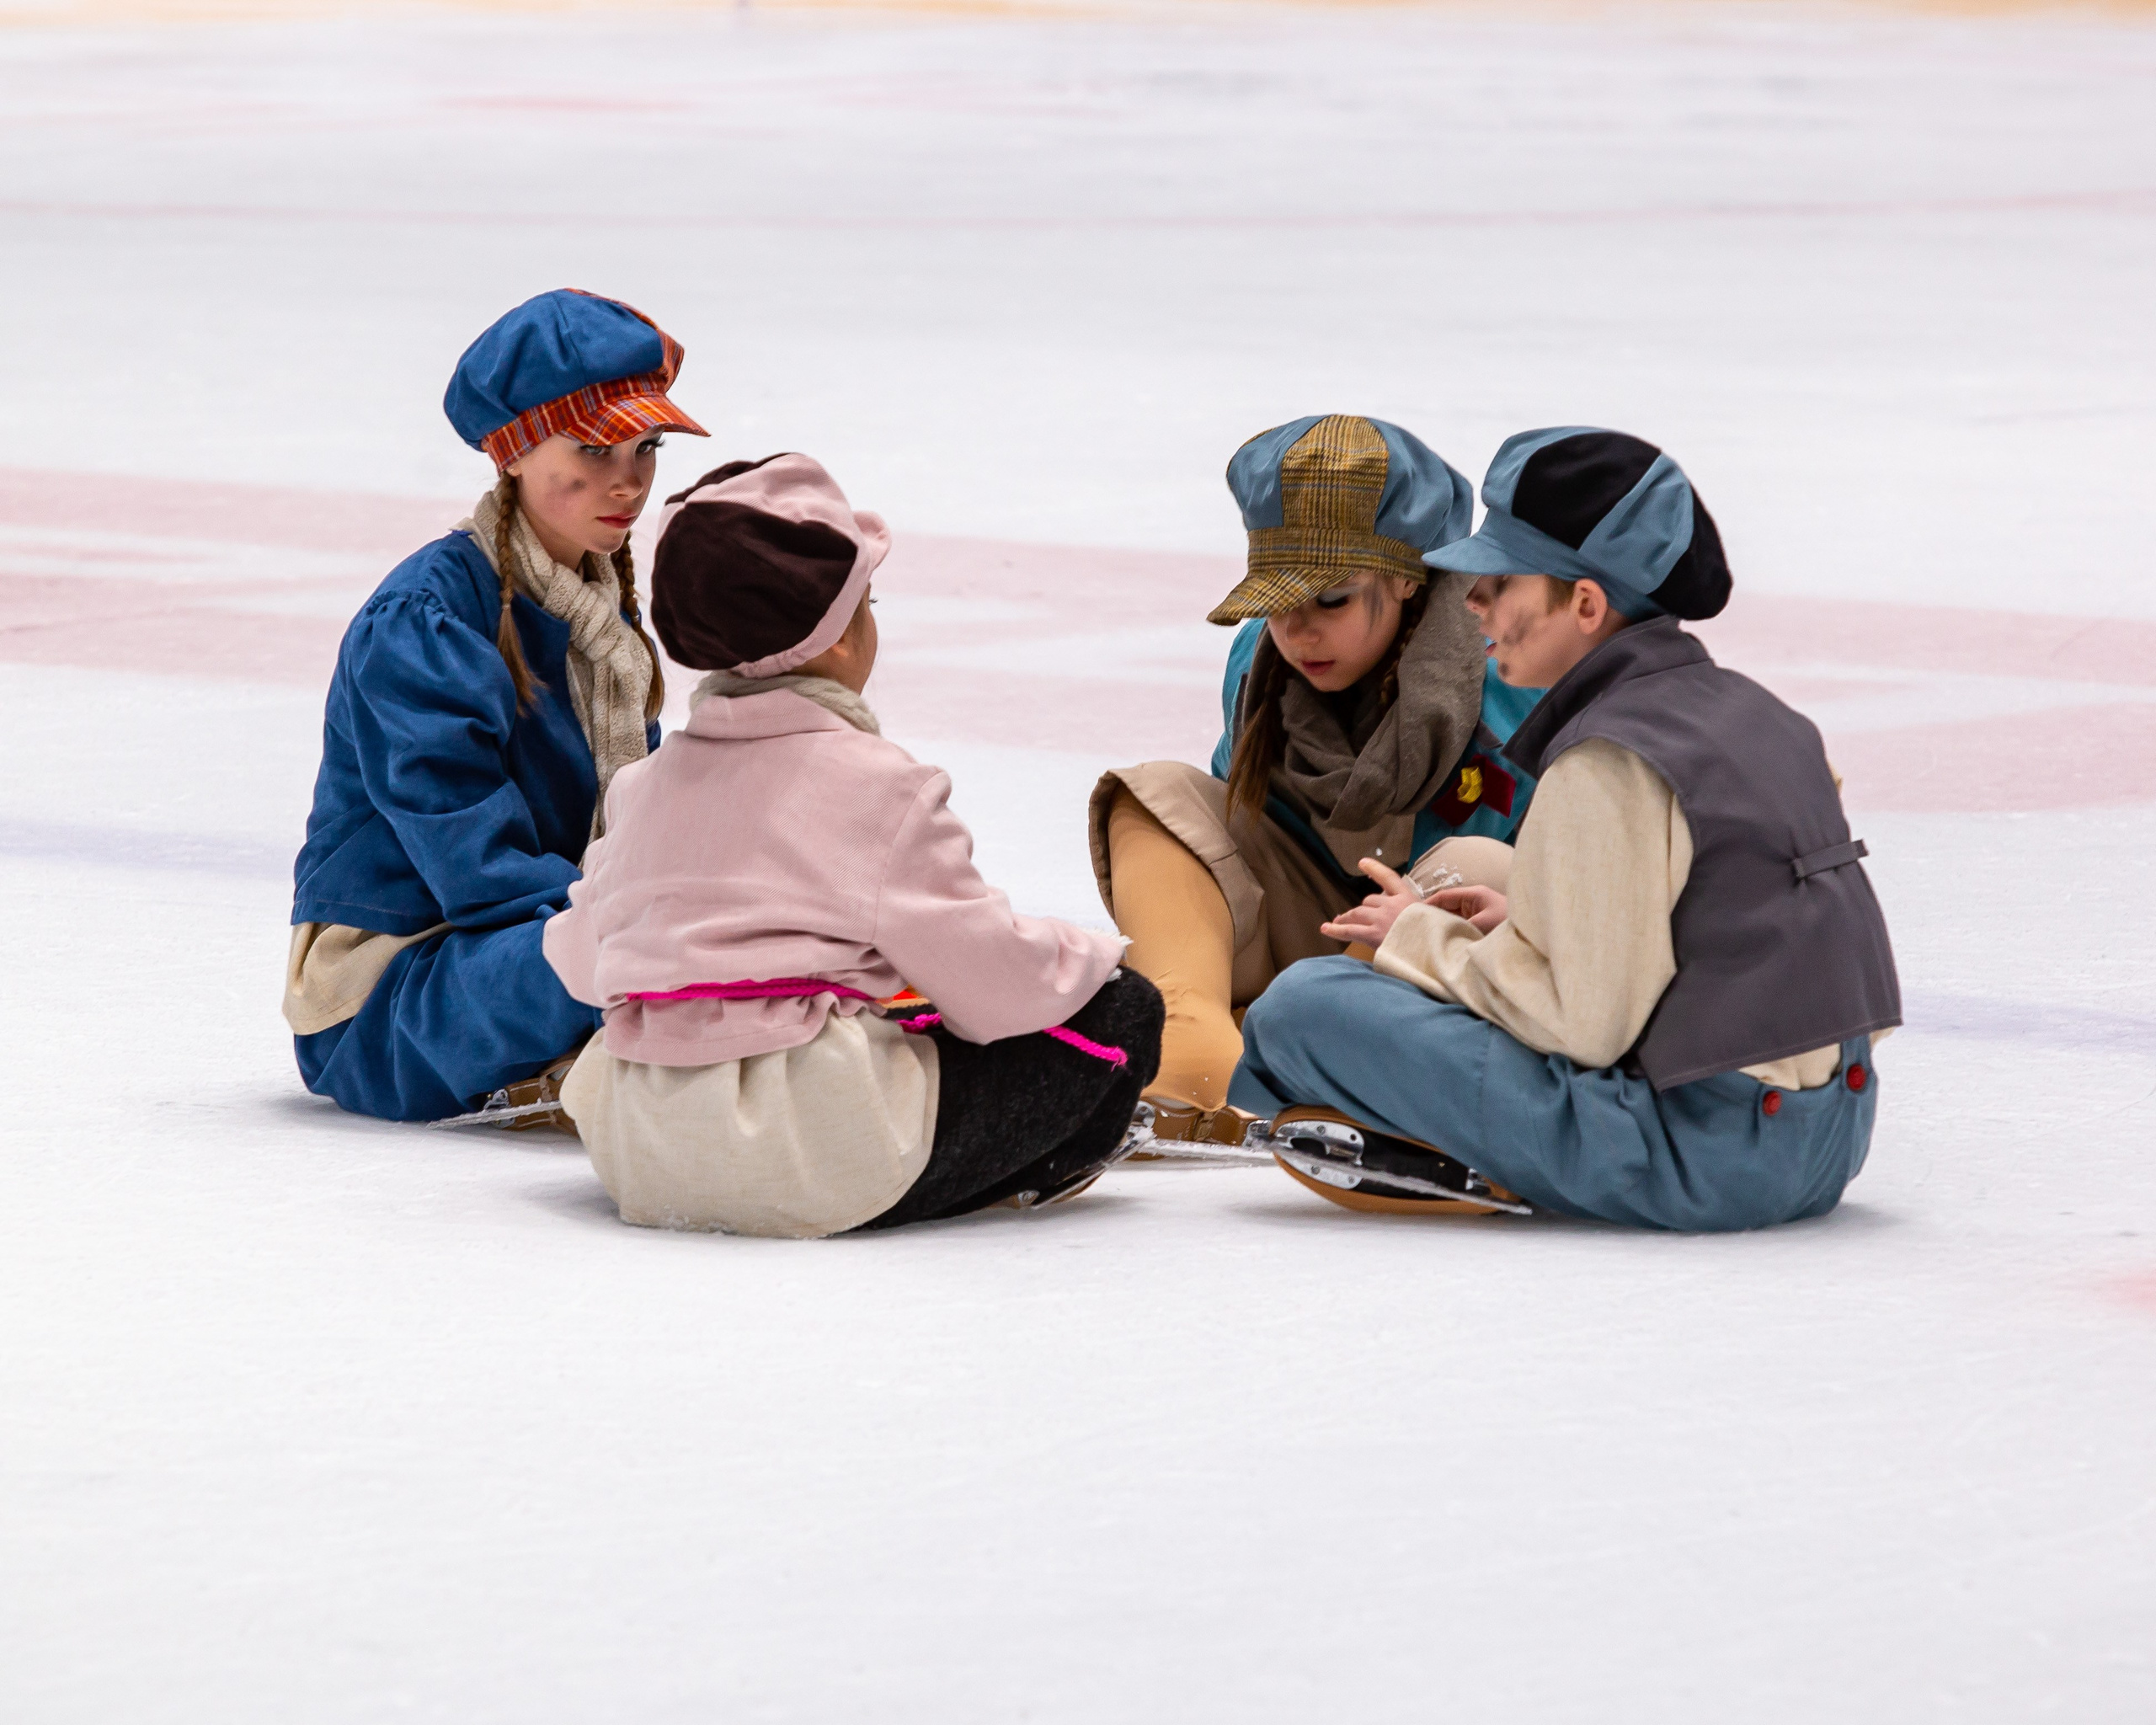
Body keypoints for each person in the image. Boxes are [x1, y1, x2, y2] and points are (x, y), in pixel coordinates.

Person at [1231, 427, 1903, 1231]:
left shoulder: (1606, 762)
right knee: (1487, 860)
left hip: (1709, 1155)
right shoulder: (1754, 714)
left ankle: (1505, 1167)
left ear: (1585, 604)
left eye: (1502, 581)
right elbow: (1736, 919)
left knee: (1302, 1007)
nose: (1473, 603)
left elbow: (1582, 1026)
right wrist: (1524, 922)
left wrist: (1417, 936)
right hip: (1828, 1135)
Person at [542, 454, 1164, 1238]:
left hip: (643, 1149)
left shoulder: (646, 787)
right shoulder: (880, 787)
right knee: (1121, 1013)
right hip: (808, 1147)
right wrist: (1092, 955)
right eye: (866, 606)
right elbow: (995, 980)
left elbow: (579, 961)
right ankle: (1014, 1167)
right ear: (838, 641)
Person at [284, 289, 707, 1122]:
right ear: (513, 452)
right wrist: (639, 930)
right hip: (392, 993)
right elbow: (478, 868)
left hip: (533, 939)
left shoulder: (598, 611)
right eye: (593, 446)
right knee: (666, 955)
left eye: (646, 448)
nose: (628, 482)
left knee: (712, 933)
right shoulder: (425, 622)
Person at [1087, 414, 1543, 1144]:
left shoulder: (1510, 677)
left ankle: (1313, 1044)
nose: (1298, 633)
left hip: (1426, 958)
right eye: (1276, 601)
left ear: (1406, 576)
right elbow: (1233, 840)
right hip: (1317, 924)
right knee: (1156, 795)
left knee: (1484, 863)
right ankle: (1193, 1038)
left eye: (1330, 599)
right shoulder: (1256, 662)